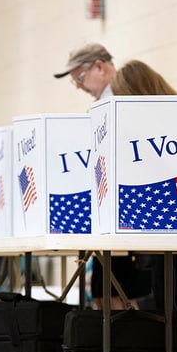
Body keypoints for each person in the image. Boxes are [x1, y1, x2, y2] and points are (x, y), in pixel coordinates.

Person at [54, 44, 150, 309]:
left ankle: (123, 348)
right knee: (102, 291)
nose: (78, 86)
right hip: (106, 212)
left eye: (80, 78)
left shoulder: (124, 96)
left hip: (125, 210)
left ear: (99, 66)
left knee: (119, 294)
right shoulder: (99, 107)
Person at [110, 60, 177, 312]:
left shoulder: (165, 124)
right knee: (176, 305)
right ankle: (174, 351)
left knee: (174, 308)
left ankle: (175, 351)